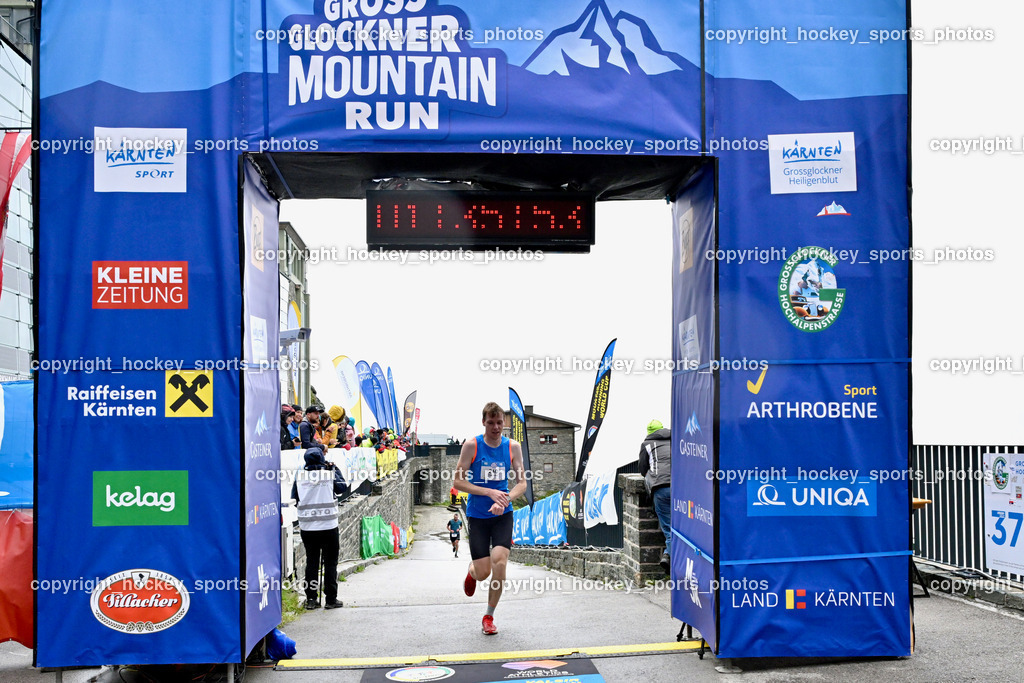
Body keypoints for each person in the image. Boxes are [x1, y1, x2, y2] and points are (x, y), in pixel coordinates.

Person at [453, 402, 526, 636]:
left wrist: (503, 499)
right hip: (478, 515)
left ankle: (489, 616)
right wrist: (489, 492)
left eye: (499, 422)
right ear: (483, 422)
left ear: (504, 423)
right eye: (491, 422)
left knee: (500, 561)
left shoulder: (512, 447)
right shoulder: (472, 446)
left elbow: (522, 483)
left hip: (503, 514)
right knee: (484, 572)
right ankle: (472, 570)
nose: (496, 427)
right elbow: (458, 482)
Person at [291, 447, 348, 610]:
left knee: (312, 562)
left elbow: (295, 498)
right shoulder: (329, 474)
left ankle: (311, 599)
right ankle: (331, 599)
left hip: (308, 527)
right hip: (329, 526)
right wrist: (334, 469)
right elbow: (342, 487)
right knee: (330, 563)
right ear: (322, 459)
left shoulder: (300, 477)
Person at [638, 419, 672, 574]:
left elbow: (643, 469)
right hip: (682, 488)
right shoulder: (677, 440)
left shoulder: (647, 445)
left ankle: (668, 556)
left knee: (668, 527)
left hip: (660, 488)